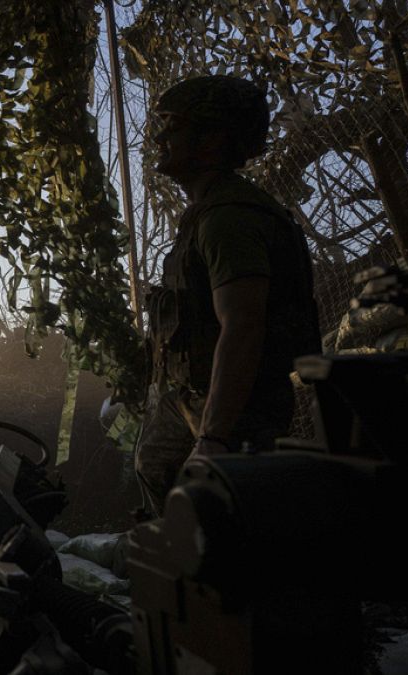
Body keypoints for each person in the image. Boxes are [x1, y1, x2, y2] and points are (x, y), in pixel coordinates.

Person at [135, 75, 321, 517]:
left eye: (174, 127)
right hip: (191, 397)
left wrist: (213, 438)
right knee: (159, 475)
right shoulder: (205, 216)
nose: (162, 138)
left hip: (236, 411)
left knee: (229, 524)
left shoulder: (230, 219)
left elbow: (243, 325)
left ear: (211, 141)